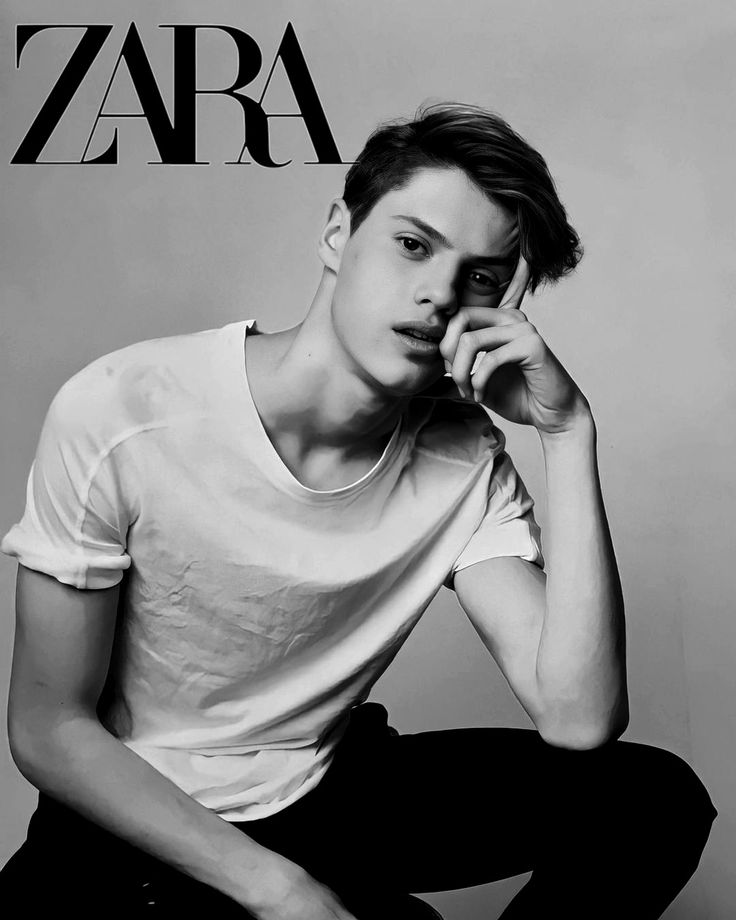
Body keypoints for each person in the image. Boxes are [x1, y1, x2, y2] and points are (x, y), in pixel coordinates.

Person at [0, 103, 717, 919]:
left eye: (480, 276)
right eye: (412, 245)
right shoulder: (126, 409)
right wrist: (278, 889)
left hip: (325, 788)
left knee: (651, 800)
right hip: (134, 820)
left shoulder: (461, 456)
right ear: (339, 234)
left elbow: (579, 717)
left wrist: (566, 430)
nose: (437, 295)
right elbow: (48, 727)